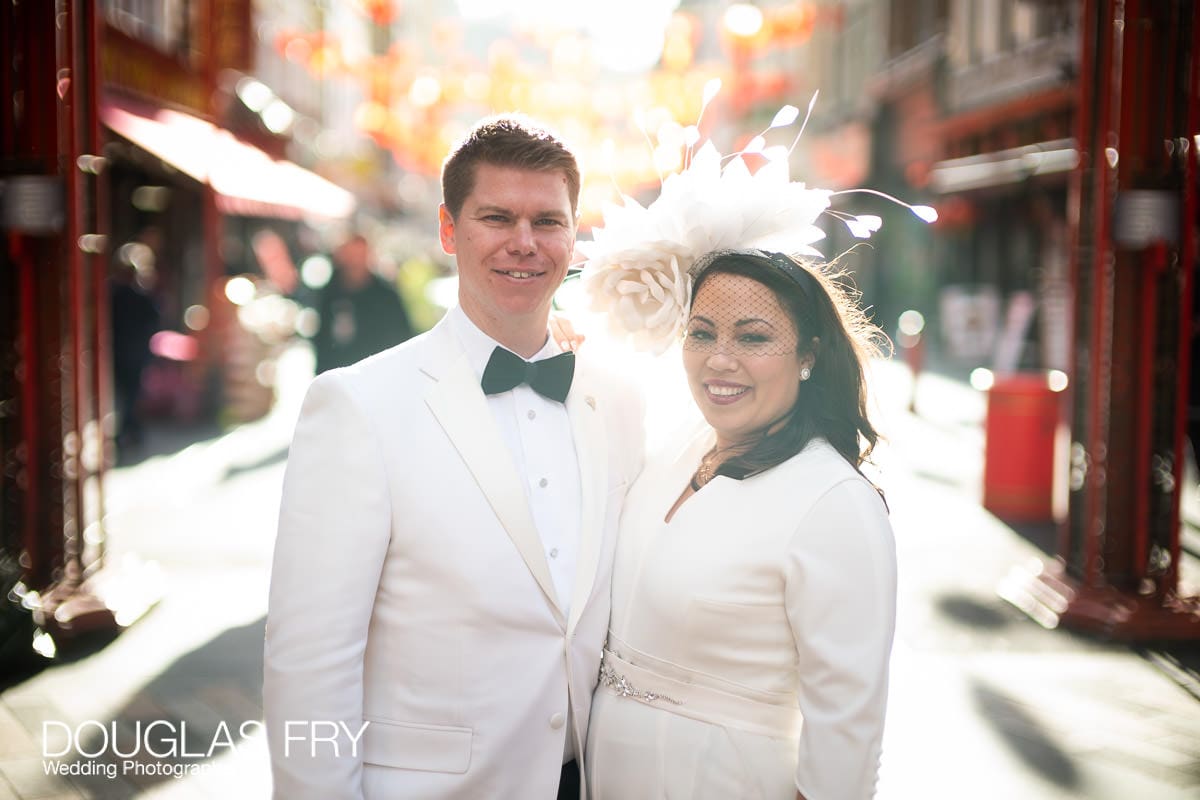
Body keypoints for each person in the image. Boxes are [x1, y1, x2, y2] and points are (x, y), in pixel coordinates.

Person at [263, 115, 644, 799]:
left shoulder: (616, 401)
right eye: (496, 218)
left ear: (574, 233)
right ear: (448, 230)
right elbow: (309, 665)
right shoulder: (357, 405)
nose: (524, 244)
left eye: (547, 221)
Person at [583, 248, 897, 800]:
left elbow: (848, 730)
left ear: (809, 355)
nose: (719, 360)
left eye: (752, 338)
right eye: (702, 334)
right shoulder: (676, 449)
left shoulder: (834, 501)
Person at [311, 231, 415, 374]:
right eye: (351, 257)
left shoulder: (386, 296)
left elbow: (402, 337)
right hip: (339, 373)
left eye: (359, 256)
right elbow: (322, 339)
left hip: (376, 374)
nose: (355, 262)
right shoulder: (331, 293)